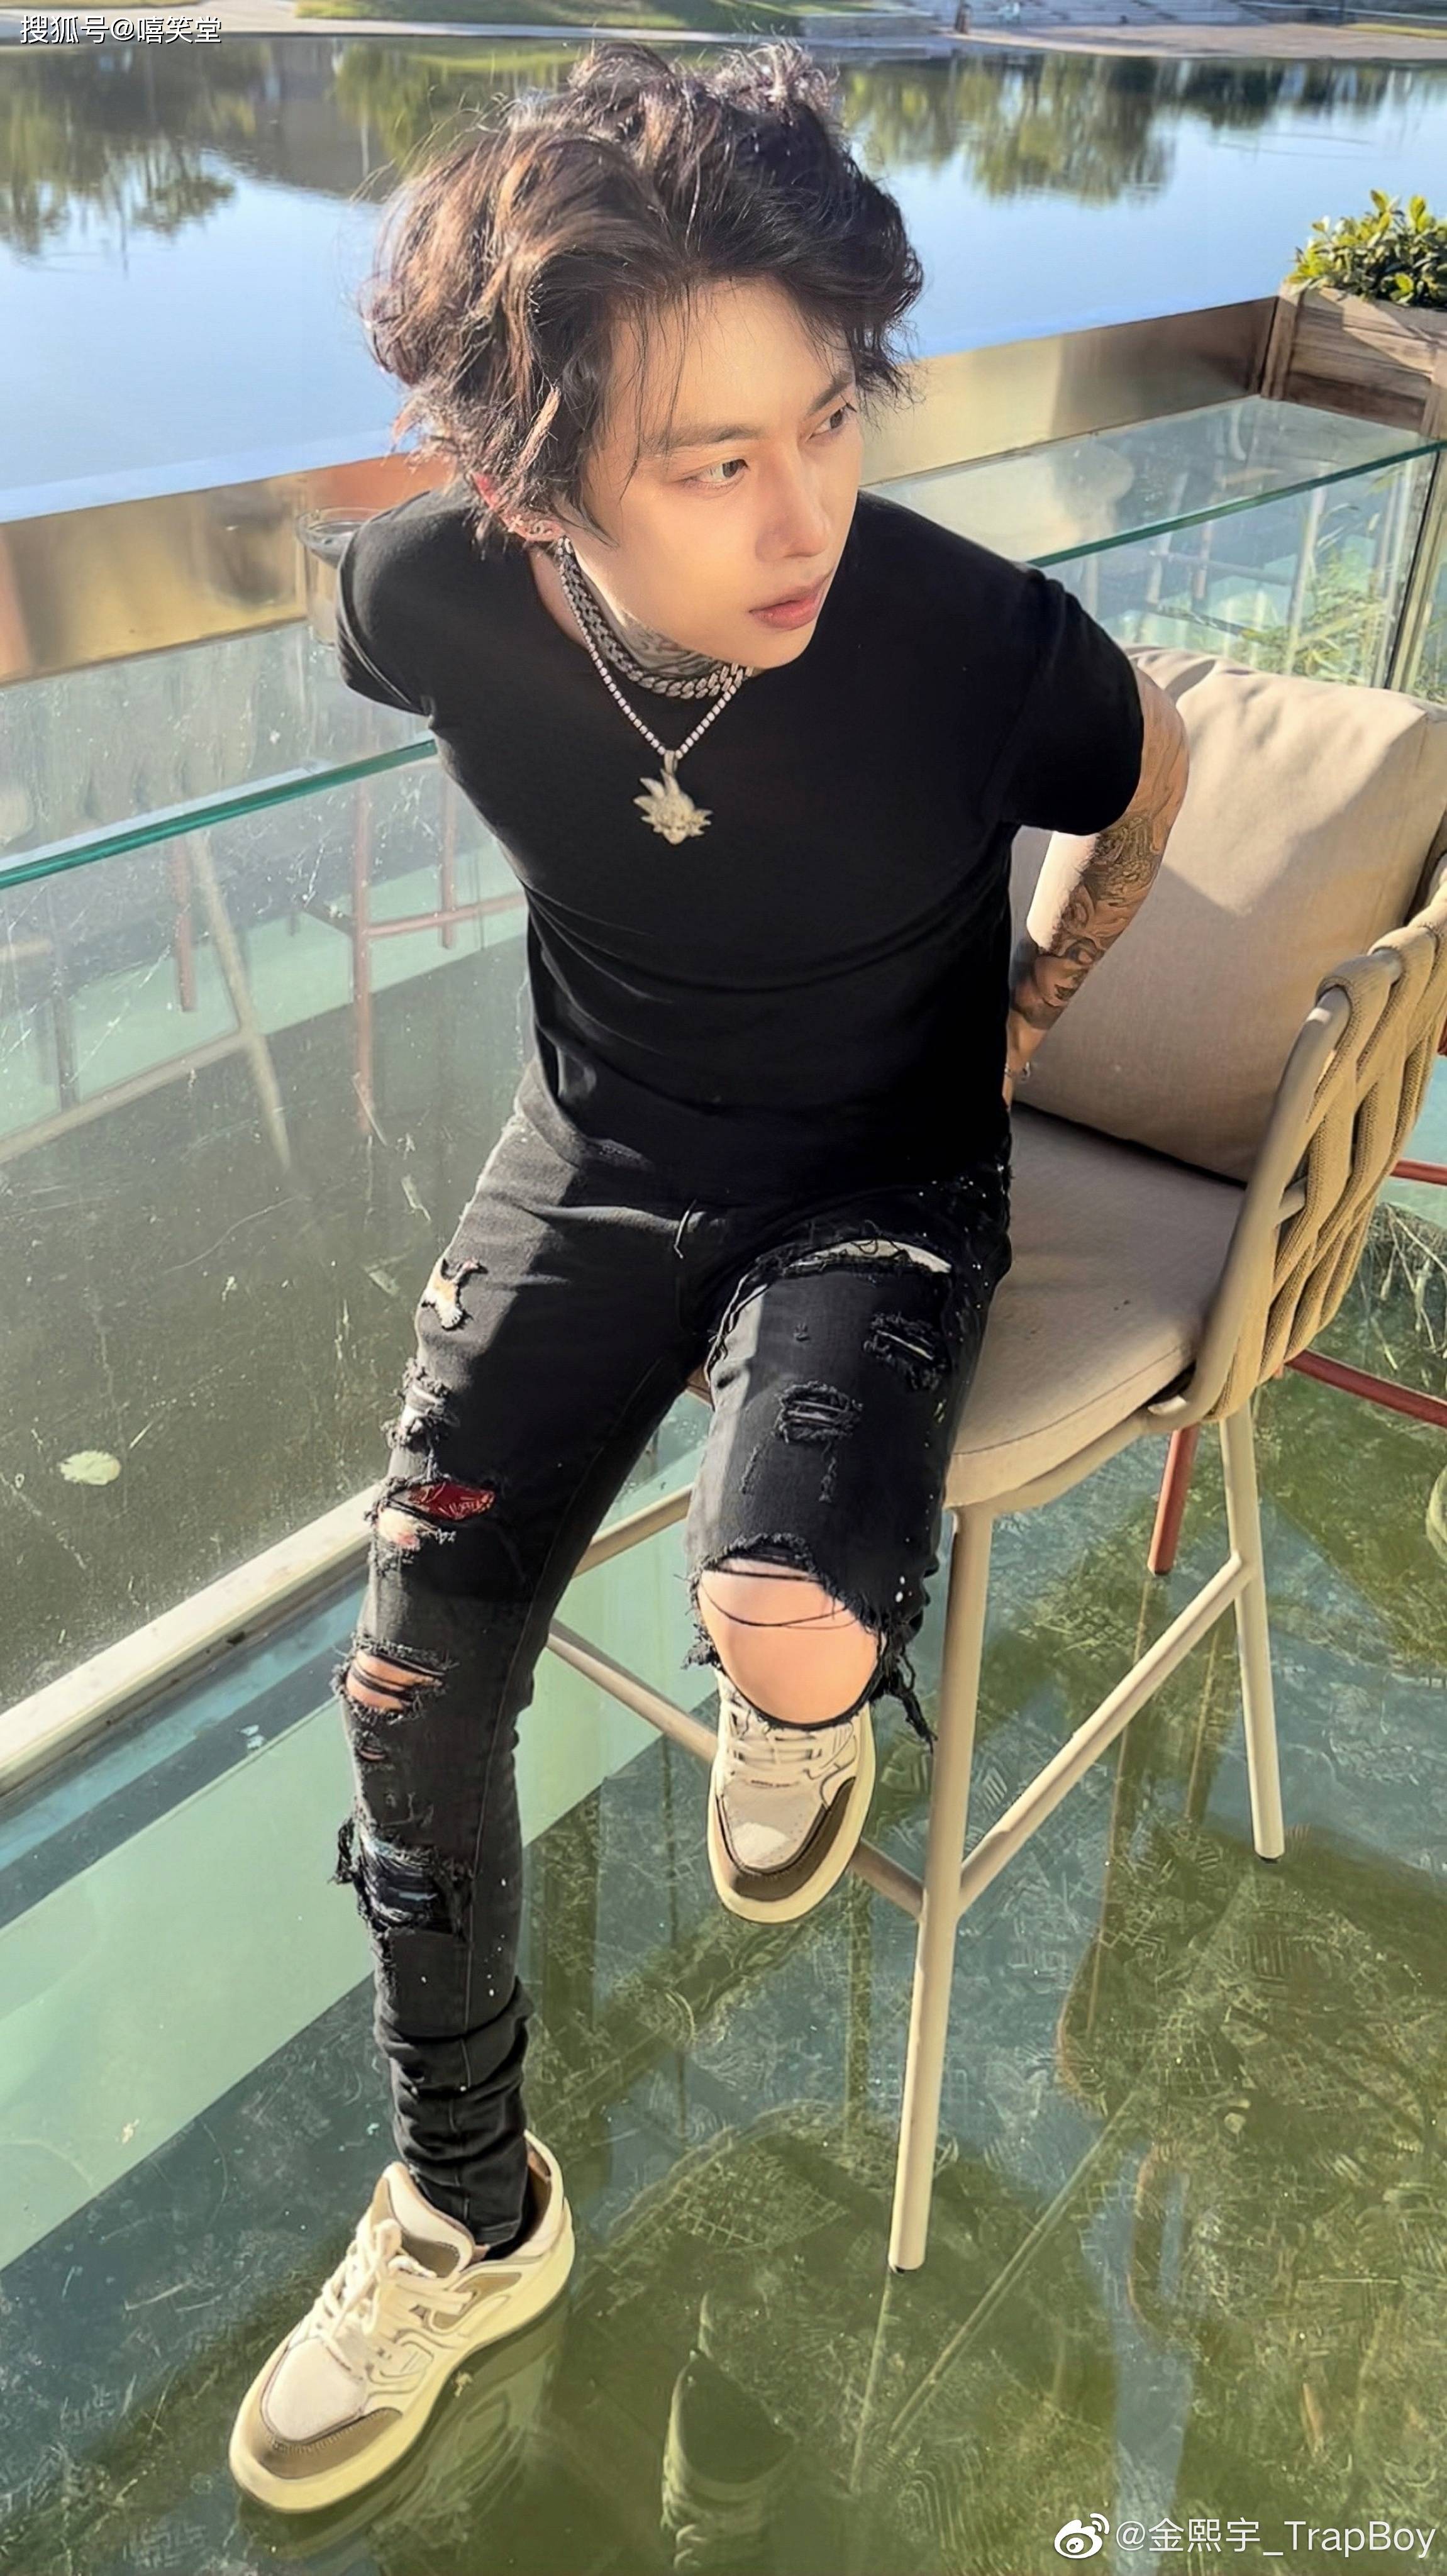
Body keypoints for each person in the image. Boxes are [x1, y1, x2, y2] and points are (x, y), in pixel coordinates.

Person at [229, 38, 1189, 2516]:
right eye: (711, 458)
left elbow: (1145, 764)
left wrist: (1038, 1004)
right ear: (531, 487)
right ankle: (466, 2210)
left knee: (787, 1612)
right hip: (605, 1154)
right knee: (410, 1678)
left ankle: (794, 1704)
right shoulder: (438, 597)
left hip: (885, 1168)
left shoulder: (964, 636)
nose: (807, 515)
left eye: (831, 416)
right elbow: (353, 590)